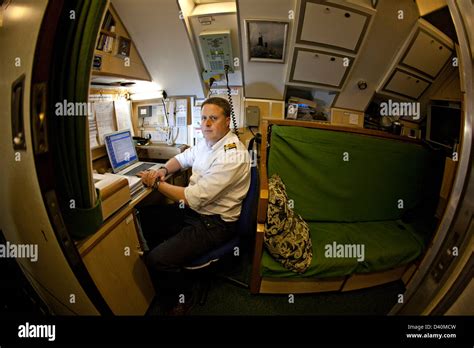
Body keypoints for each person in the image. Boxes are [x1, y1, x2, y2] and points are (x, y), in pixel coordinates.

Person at [137, 97, 250, 315]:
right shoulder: (207, 143)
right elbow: (182, 158)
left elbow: (193, 198)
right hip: (195, 211)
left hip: (215, 223)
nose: (206, 123)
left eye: (213, 118)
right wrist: (163, 171)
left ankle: (182, 296)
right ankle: (171, 264)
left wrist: (157, 182)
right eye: (204, 118)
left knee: (156, 259)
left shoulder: (233, 154)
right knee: (144, 216)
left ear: (227, 121)